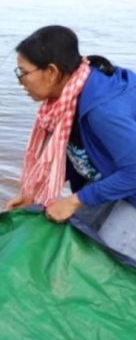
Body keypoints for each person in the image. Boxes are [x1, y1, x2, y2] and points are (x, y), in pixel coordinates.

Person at [7, 25, 136, 258]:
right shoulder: (68, 96)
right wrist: (31, 192)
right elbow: (78, 150)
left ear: (52, 72)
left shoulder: (102, 110)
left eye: (23, 72)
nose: (20, 81)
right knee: (75, 242)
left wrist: (75, 201)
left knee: (109, 264)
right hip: (115, 172)